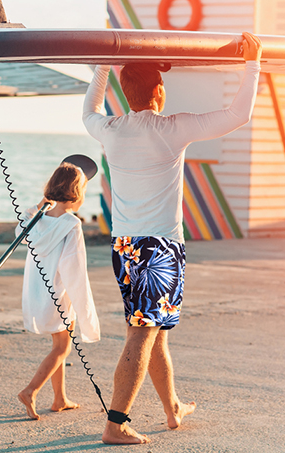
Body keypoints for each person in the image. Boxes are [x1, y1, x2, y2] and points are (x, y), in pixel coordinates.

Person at [83, 32, 262, 444]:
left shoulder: (109, 129)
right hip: (159, 247)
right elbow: (238, 115)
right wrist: (251, 64)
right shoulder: (172, 128)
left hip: (125, 246)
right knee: (143, 333)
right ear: (159, 91)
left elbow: (88, 110)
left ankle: (172, 407)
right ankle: (116, 422)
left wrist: (103, 63)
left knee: (155, 329)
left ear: (125, 93)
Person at [16, 162, 100, 420]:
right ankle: (30, 390)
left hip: (37, 292)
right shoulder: (71, 224)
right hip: (58, 294)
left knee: (58, 343)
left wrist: (43, 202)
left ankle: (60, 398)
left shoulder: (36, 219)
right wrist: (81, 304)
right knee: (63, 347)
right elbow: (73, 269)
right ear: (78, 192)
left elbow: (20, 228)